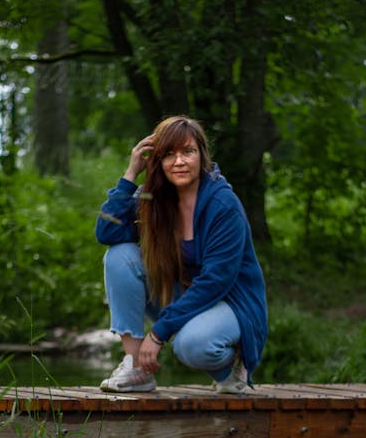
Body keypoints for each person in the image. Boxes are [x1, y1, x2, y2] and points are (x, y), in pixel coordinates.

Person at [95, 115, 268, 393]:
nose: (179, 162)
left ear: (201, 155)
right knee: (119, 256)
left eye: (188, 152)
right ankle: (135, 368)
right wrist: (130, 175)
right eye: (169, 154)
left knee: (191, 345)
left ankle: (230, 371)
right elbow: (106, 233)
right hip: (185, 297)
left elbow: (216, 281)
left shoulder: (223, 204)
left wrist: (159, 332)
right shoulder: (152, 201)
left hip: (230, 304)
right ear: (157, 161)